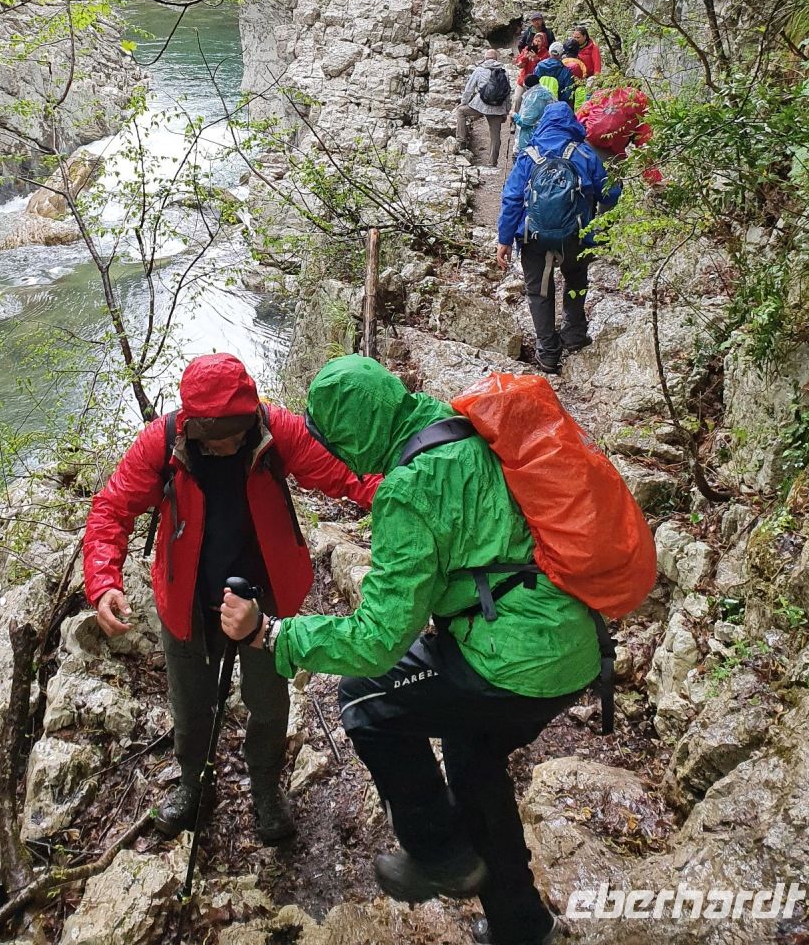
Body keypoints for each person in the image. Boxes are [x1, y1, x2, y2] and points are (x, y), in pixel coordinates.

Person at [220, 354, 598, 945]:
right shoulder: (459, 427)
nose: (339, 458)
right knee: (472, 763)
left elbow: (375, 642)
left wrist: (272, 633)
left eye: (336, 443)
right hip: (574, 644)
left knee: (364, 698)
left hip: (515, 659)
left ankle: (437, 852)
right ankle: (521, 926)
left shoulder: (407, 489)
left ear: (354, 431)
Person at [83, 352, 380, 844]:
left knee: (267, 701)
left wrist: (408, 496)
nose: (229, 442)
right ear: (193, 425)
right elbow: (112, 507)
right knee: (190, 705)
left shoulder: (272, 429)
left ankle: (265, 789)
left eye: (236, 430)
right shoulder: (162, 442)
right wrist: (104, 579)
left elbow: (345, 476)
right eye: (216, 434)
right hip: (188, 600)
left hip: (264, 599)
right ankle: (193, 785)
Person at [496, 100, 620, 372]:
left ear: (544, 123)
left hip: (534, 237)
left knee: (538, 291)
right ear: (572, 123)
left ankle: (548, 353)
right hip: (575, 234)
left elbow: (512, 199)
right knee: (575, 278)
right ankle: (574, 336)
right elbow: (610, 193)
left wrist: (504, 239)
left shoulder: (529, 155)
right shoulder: (585, 154)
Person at [456, 49, 513, 168]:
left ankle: (461, 140)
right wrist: (506, 111)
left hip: (480, 105)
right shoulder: (504, 72)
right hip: (497, 108)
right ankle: (492, 163)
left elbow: (469, 89)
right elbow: (507, 93)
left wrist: (463, 102)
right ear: (496, 59)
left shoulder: (479, 70)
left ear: (485, 58)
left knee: (461, 112)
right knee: (495, 135)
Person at [511, 77, 552, 154]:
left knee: (527, 158)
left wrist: (514, 115)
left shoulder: (532, 98)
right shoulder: (547, 92)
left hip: (530, 138)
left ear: (527, 87)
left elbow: (525, 122)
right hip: (544, 134)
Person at [531, 42, 577, 107]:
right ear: (561, 54)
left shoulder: (538, 67)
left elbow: (533, 87)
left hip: (539, 104)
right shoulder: (566, 71)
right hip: (557, 106)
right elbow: (568, 94)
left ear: (549, 52)